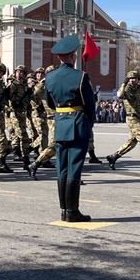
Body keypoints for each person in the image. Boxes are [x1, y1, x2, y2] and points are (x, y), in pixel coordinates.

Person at [45, 35, 95, 222]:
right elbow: (90, 105)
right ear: (73, 56)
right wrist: (88, 124)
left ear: (59, 57)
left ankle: (64, 210)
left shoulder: (49, 77)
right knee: (74, 168)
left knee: (62, 168)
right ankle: (72, 211)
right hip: (77, 124)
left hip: (60, 124)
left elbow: (50, 103)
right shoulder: (80, 77)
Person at [105, 70, 140, 174]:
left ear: (138, 80)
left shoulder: (139, 89)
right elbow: (119, 95)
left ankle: (114, 157)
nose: (133, 80)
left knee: (132, 142)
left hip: (138, 118)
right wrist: (124, 83)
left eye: (135, 78)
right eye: (131, 78)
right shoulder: (127, 89)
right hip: (132, 118)